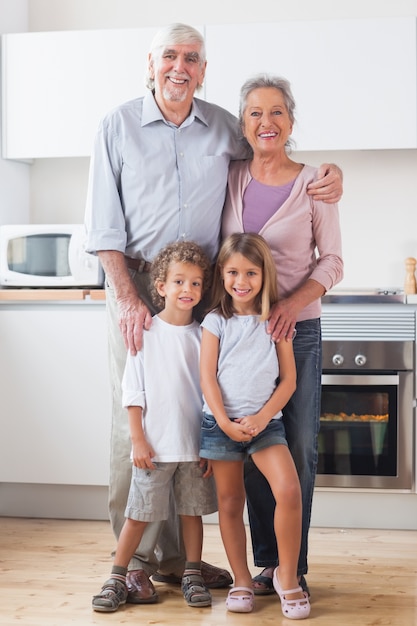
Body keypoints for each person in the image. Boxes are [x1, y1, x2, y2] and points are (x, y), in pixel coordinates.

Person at [84, 22, 343, 603]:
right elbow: (102, 225)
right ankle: (135, 563)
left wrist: (332, 173)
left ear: (204, 70)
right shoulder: (117, 125)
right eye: (169, 57)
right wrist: (128, 296)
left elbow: (276, 151)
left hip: (212, 295)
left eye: (192, 59)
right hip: (139, 284)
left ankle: (199, 562)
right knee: (142, 422)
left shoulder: (222, 125)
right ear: (150, 64)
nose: (180, 67)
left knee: (201, 424)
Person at [221, 73, 344, 598]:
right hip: (243, 336)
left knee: (297, 446)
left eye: (276, 112)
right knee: (251, 439)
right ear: (242, 123)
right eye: (254, 112)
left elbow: (334, 261)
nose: (265, 122)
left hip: (300, 332)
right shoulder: (231, 177)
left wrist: (292, 306)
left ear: (291, 121)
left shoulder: (316, 183)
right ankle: (267, 564)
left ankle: (296, 568)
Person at [92, 241, 217, 613]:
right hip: (155, 450)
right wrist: (138, 440)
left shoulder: (204, 337)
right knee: (138, 514)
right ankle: (118, 575)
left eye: (196, 283)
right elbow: (134, 393)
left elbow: (210, 393)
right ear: (160, 286)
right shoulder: (145, 333)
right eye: (179, 281)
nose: (188, 290)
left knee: (191, 514)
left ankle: (191, 573)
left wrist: (209, 444)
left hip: (193, 448)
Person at [199, 232, 310, 619]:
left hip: (266, 426)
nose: (241, 281)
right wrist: (226, 424)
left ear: (265, 275)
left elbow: (289, 381)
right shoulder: (215, 322)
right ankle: (242, 579)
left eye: (250, 272)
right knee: (230, 503)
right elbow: (207, 379)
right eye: (232, 272)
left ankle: (287, 576)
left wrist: (263, 417)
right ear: (221, 274)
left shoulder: (274, 320)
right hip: (221, 426)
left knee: (289, 491)